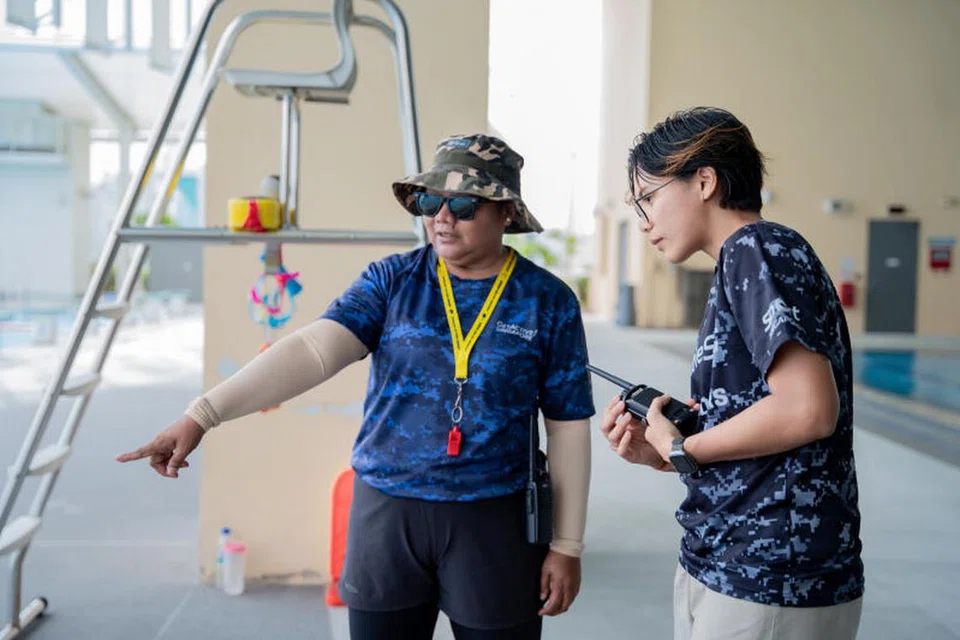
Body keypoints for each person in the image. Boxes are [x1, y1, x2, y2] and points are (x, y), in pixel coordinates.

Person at [117, 133, 596, 640]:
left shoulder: (547, 301)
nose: (442, 216)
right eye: (431, 201)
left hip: (492, 517)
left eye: (463, 204)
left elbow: (567, 426)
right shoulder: (394, 280)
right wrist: (202, 415)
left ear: (505, 213)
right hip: (388, 516)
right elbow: (313, 350)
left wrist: (566, 545)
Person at [599, 107, 864, 639]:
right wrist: (662, 451)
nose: (644, 221)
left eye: (648, 198)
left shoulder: (755, 248)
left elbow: (807, 409)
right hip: (735, 565)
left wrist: (683, 450)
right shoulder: (744, 262)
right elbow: (766, 428)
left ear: (703, 180)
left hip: (768, 577)